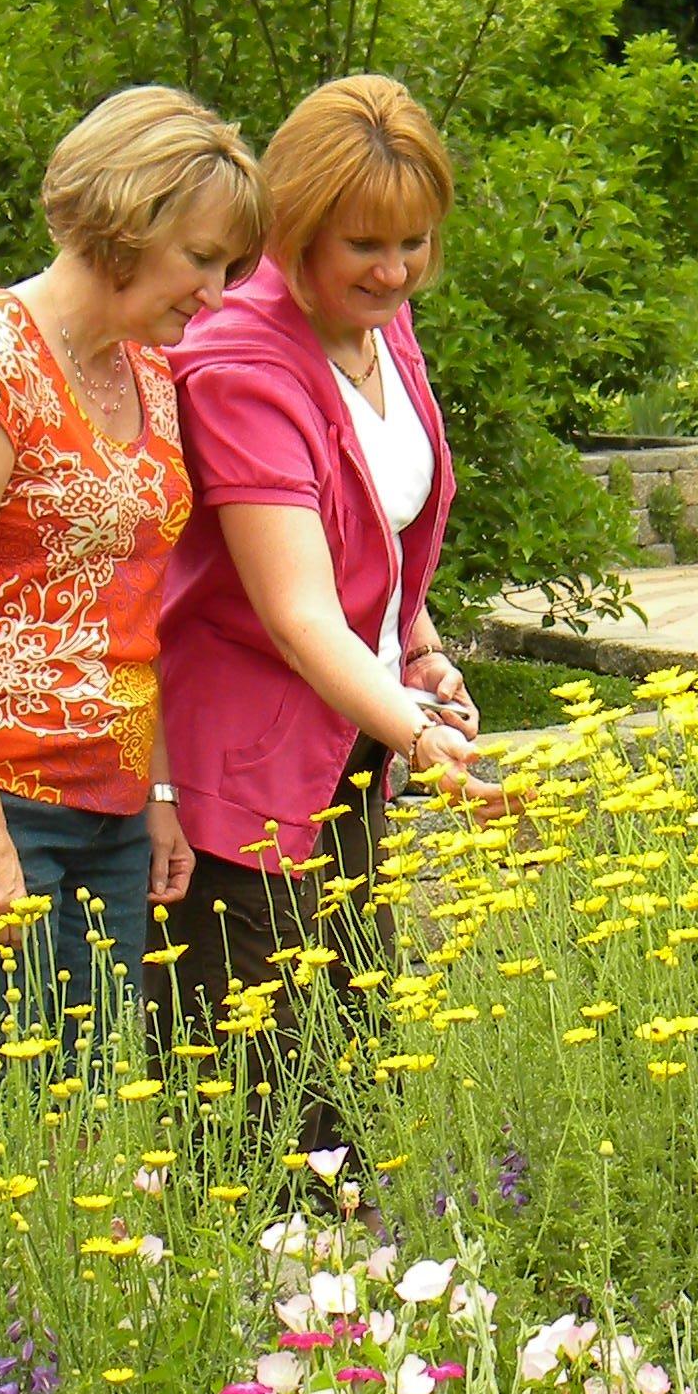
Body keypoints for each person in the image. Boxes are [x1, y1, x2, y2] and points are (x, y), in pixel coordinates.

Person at [0, 85, 266, 1055]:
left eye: (230, 266)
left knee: (92, 1135)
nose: (216, 292)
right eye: (201, 259)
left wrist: (155, 795)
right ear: (126, 220)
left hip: (108, 811)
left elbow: (138, 602)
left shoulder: (149, 375)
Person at [154, 74, 493, 1052]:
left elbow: (372, 528)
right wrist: (424, 738)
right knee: (265, 1100)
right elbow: (300, 611)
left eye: (413, 243)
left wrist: (418, 649)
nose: (394, 273)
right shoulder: (240, 368)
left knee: (358, 1071)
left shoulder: (380, 325)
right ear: (297, 227)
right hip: (246, 770)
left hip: (348, 750)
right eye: (365, 246)